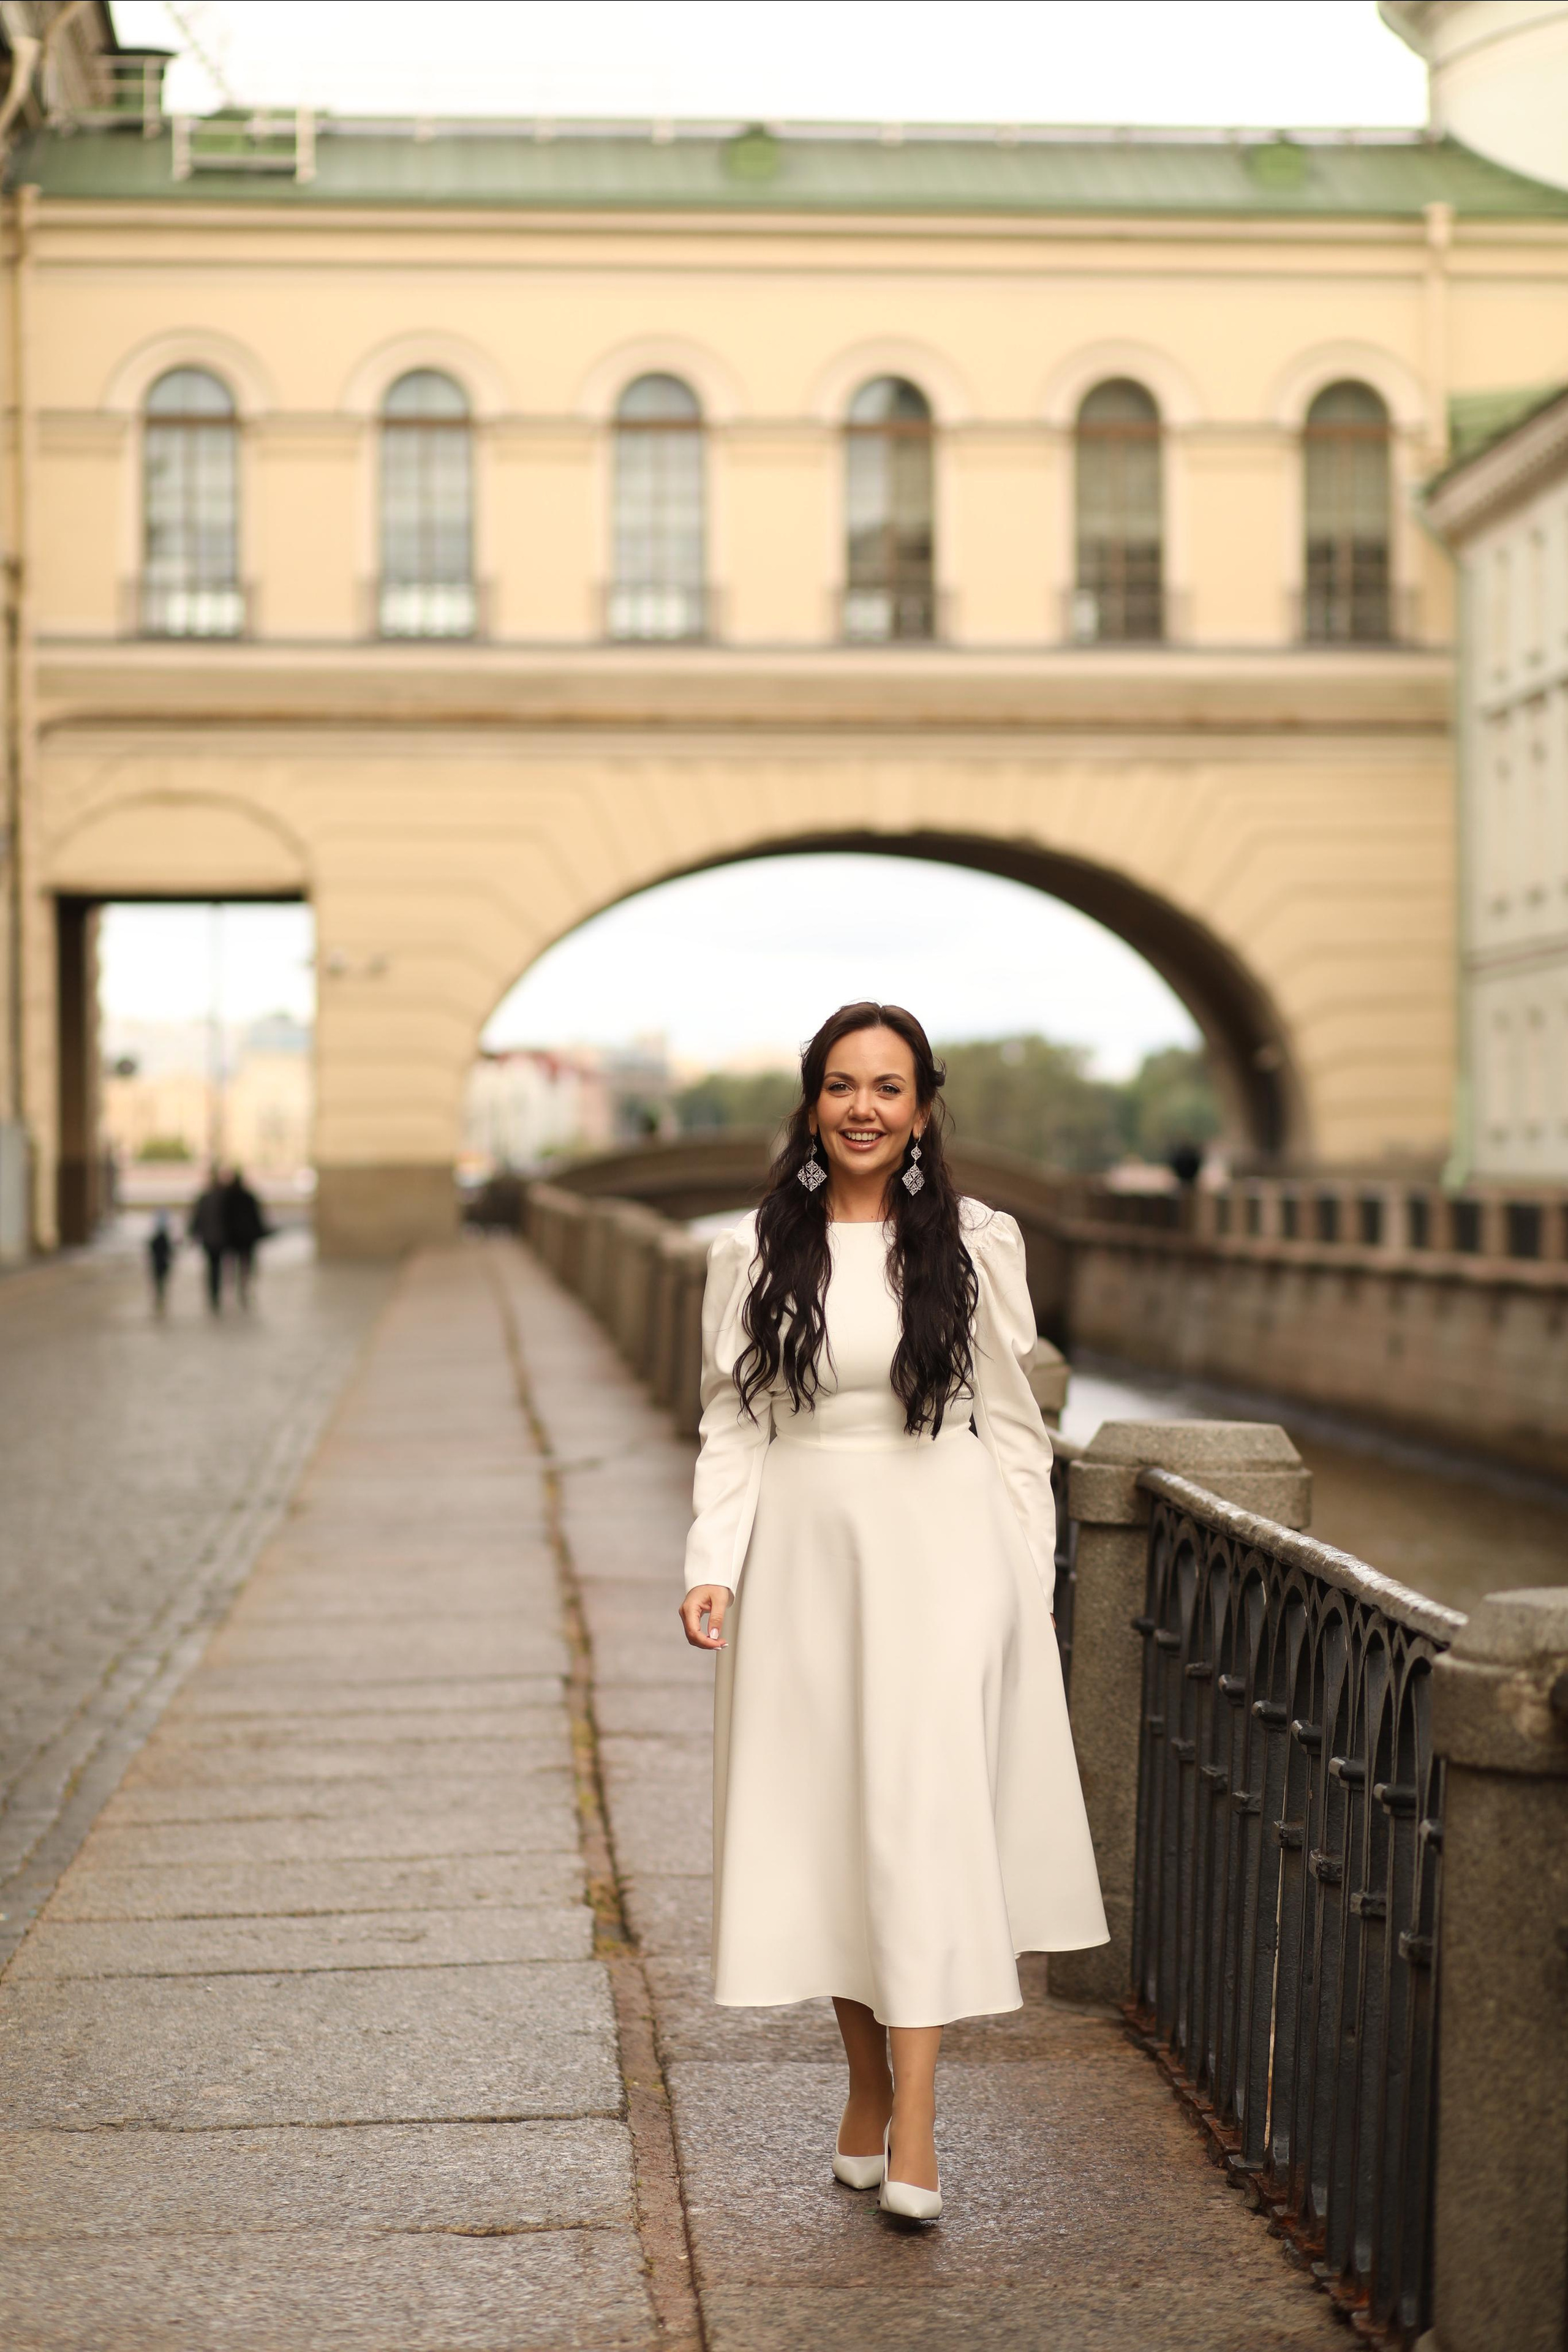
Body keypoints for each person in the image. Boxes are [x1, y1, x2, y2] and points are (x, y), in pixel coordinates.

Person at [679, 1002, 1107, 2224]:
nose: (862, 1107)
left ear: (921, 1109)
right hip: (805, 1562)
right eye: (839, 1085)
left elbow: (1016, 1434)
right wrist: (712, 1560)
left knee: (917, 1828)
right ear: (810, 1105)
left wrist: (1022, 1586)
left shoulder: (972, 1243)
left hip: (942, 1556)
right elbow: (732, 1420)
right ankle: (862, 2088)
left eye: (887, 1086)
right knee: (830, 1832)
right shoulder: (753, 1251)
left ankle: (915, 2117)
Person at [221, 1168, 271, 1308]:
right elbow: (256, 1217)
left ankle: (241, 1288)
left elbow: (224, 1219)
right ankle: (244, 1288)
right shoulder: (247, 1197)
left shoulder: (228, 1197)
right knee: (246, 1264)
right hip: (247, 1238)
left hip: (235, 1238)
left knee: (236, 1264)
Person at [187, 1170, 228, 1314]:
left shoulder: (205, 1198)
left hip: (210, 1238)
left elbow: (196, 1218)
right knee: (217, 1266)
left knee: (213, 1266)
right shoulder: (223, 1199)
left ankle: (214, 1292)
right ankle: (215, 1292)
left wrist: (194, 1234)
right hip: (219, 1238)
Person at [146, 1212, 175, 1316]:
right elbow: (170, 1252)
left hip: (157, 1264)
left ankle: (159, 1294)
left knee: (158, 1280)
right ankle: (160, 1293)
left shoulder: (155, 1240)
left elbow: (151, 1250)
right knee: (161, 1281)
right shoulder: (165, 1240)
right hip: (163, 1264)